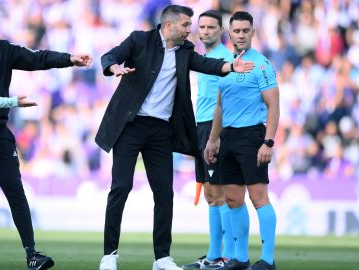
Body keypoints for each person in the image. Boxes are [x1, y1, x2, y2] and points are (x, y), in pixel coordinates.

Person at [96, 5, 254, 270]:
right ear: (168, 26)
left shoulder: (185, 50)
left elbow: (206, 64)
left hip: (160, 131)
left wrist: (230, 66)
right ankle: (109, 255)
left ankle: (162, 258)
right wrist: (113, 67)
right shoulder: (139, 39)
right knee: (120, 188)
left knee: (165, 194)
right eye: (185, 25)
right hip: (130, 126)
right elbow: (111, 55)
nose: (189, 30)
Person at [0, 2, 92, 270]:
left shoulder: (5, 50)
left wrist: (69, 59)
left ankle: (33, 255)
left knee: (15, 192)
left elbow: (38, 58)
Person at [204, 11, 279, 270]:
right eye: (236, 31)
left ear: (252, 32)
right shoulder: (225, 67)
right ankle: (241, 259)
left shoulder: (261, 64)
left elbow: (273, 106)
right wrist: (213, 140)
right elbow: (219, 108)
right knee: (233, 199)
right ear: (229, 33)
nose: (240, 35)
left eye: (245, 31)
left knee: (258, 198)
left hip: (252, 136)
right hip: (228, 137)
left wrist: (268, 142)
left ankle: (268, 260)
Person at [182, 10, 234, 270]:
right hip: (201, 128)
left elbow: (226, 104)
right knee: (212, 195)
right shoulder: (205, 58)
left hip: (216, 131)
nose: (204, 31)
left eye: (211, 27)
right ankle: (215, 255)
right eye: (201, 27)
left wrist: (215, 137)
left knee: (221, 193)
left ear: (221, 31)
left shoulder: (225, 59)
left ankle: (228, 256)